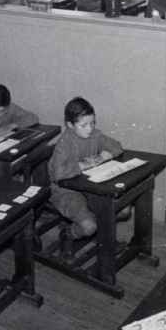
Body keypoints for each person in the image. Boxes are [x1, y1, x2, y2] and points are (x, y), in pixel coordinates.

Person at [48, 97, 123, 256]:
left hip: (90, 187)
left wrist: (104, 156)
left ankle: (105, 238)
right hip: (66, 192)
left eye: (92, 123)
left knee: (123, 210)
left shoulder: (94, 135)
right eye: (84, 125)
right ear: (70, 125)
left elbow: (117, 146)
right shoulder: (64, 143)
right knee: (89, 226)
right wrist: (81, 166)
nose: (90, 128)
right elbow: (57, 174)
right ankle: (68, 234)